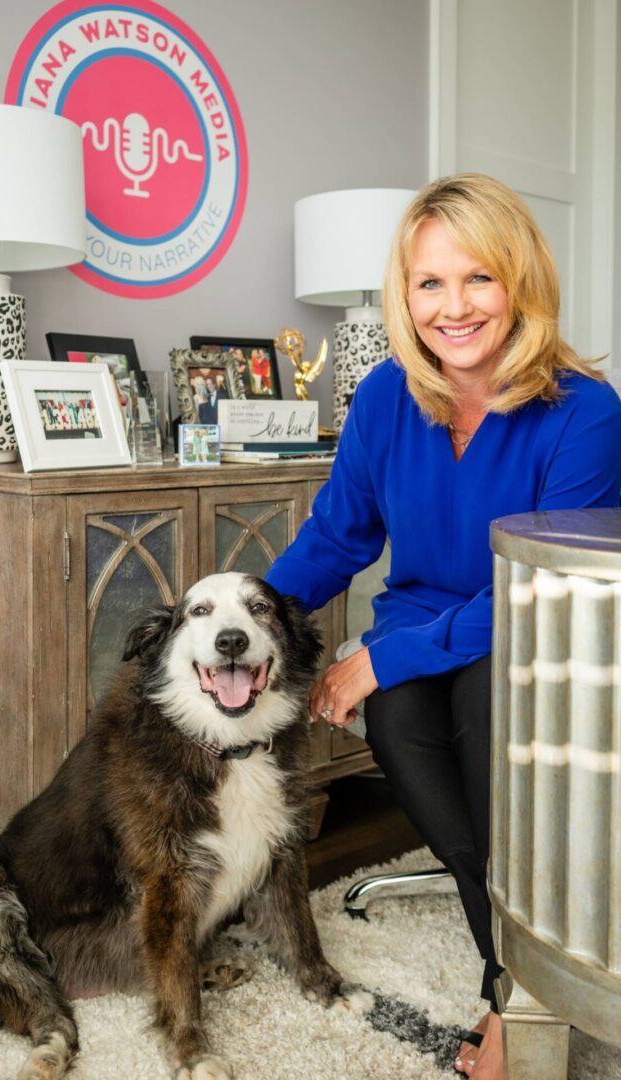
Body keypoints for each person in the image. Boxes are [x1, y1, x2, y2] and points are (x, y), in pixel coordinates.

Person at [265, 173, 621, 1080]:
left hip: (535, 633)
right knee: (400, 721)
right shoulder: (385, 396)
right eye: (430, 283)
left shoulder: (584, 410)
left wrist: (380, 659)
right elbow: (339, 535)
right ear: (404, 292)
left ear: (519, 282)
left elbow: (530, 591)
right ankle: (515, 985)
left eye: (478, 279)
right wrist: (246, 617)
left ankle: (512, 1001)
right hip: (425, 621)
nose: (452, 307)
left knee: (467, 709)